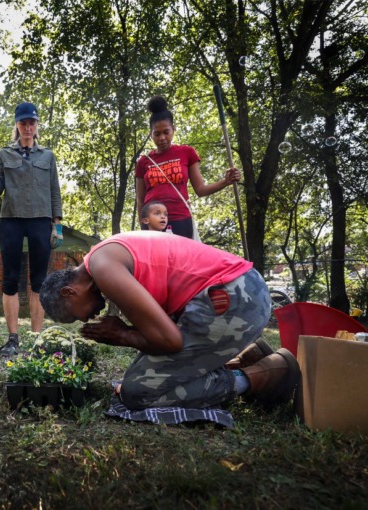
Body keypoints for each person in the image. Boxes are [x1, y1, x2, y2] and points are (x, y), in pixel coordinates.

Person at [39, 231, 300, 411]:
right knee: (144, 372)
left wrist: (121, 335)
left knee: (137, 392)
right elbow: (159, 334)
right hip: (239, 293)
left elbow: (170, 341)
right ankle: (248, 358)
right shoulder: (103, 255)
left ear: (69, 291)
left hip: (234, 299)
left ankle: (261, 376)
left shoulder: (103, 268)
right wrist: (128, 334)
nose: (86, 318)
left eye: (76, 314)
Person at [0, 102, 63, 356]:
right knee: (10, 280)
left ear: (37, 125)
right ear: (16, 125)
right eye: (23, 122)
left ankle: (37, 340)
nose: (27, 127)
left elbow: (54, 191)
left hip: (40, 221)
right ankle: (13, 339)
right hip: (11, 221)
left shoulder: (47, 156)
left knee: (39, 281)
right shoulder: (3, 154)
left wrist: (57, 225)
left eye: (31, 122)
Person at [135, 95, 242, 239]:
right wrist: (143, 225)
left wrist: (226, 182)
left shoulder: (186, 153)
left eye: (166, 132)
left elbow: (200, 190)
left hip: (181, 219)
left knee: (182, 261)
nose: (162, 138)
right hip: (152, 225)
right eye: (157, 133)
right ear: (151, 134)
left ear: (173, 129)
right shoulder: (143, 161)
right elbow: (140, 200)